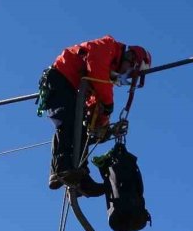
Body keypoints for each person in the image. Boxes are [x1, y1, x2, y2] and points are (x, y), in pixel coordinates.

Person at [36, 36, 152, 195]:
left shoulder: (107, 71)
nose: (125, 74)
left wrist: (102, 125)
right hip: (60, 79)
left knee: (81, 130)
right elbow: (97, 71)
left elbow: (97, 98)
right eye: (129, 71)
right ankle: (61, 169)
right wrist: (108, 105)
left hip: (72, 88)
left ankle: (80, 179)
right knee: (67, 122)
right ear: (130, 57)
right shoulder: (107, 46)